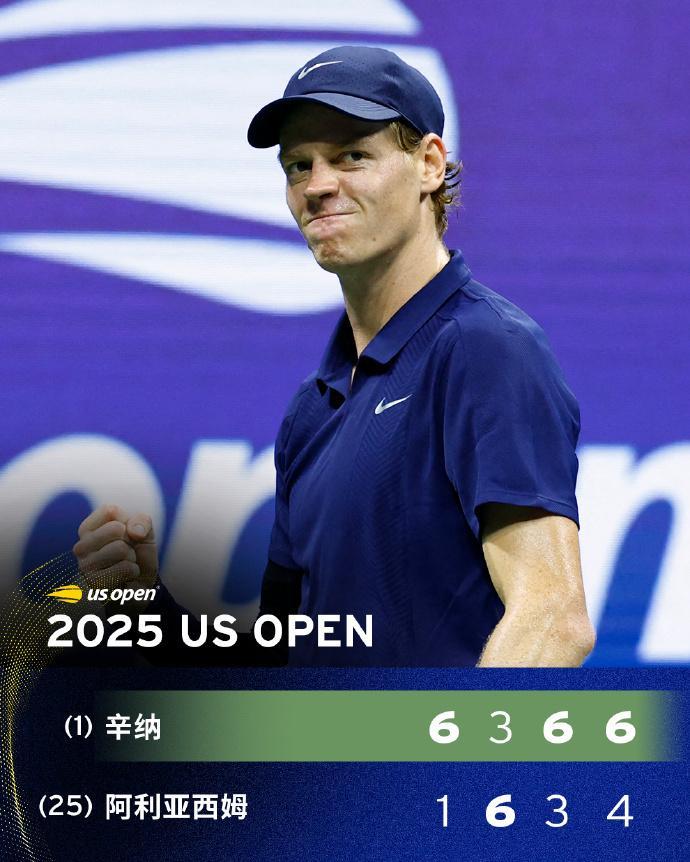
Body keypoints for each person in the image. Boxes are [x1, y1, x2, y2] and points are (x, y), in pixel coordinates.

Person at [73, 46, 595, 667]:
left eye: (351, 155)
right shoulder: (312, 409)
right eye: (299, 165)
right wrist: (148, 611)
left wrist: (453, 735)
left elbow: (552, 619)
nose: (318, 186)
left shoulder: (485, 349)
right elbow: (283, 662)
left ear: (430, 164)